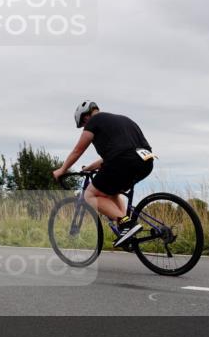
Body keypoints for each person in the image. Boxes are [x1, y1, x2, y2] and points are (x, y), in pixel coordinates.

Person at [52, 101, 156, 247]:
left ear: (86, 117)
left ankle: (126, 224)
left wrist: (62, 170)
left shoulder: (94, 121)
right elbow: (118, 153)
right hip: (145, 161)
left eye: (82, 124)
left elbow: (78, 150)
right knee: (112, 192)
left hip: (122, 162)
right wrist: (89, 167)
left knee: (89, 195)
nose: (84, 127)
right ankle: (125, 228)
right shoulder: (124, 120)